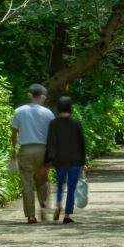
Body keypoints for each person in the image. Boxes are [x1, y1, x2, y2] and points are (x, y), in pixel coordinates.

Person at [10, 83, 54, 223]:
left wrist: (13, 149)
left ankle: (30, 215)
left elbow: (14, 133)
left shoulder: (19, 111)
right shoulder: (48, 113)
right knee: (43, 181)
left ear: (30, 96)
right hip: (43, 150)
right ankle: (44, 210)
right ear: (42, 96)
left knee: (27, 184)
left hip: (26, 150)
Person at [44, 96, 86, 224]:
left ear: (58, 108)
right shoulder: (76, 123)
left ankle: (58, 203)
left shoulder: (53, 123)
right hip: (75, 160)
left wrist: (48, 160)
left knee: (60, 184)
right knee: (72, 187)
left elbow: (50, 143)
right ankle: (67, 214)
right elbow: (82, 143)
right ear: (71, 108)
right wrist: (83, 162)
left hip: (59, 160)